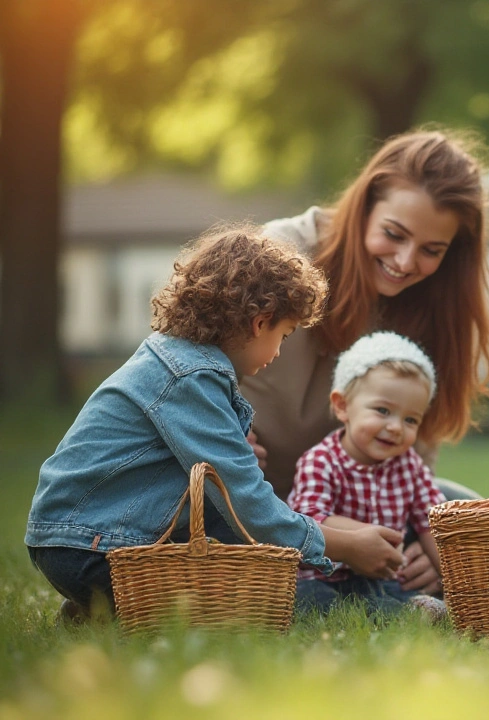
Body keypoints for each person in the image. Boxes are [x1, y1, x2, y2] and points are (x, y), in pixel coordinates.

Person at [25, 228, 406, 621]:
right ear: (261, 322)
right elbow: (248, 503)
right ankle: (377, 609)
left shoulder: (173, 358)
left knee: (238, 556)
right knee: (249, 605)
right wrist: (342, 545)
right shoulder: (192, 376)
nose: (278, 353)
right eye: (284, 335)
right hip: (92, 547)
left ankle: (98, 614)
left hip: (78, 539)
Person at [239, 127, 489, 596]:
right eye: (393, 235)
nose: (404, 261)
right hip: (252, 503)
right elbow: (180, 365)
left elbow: (416, 455)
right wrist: (219, 433)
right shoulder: (278, 255)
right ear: (364, 206)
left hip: (360, 502)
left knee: (469, 516)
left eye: (431, 250)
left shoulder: (432, 305)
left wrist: (426, 541)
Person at [288, 331, 448, 617]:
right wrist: (362, 538)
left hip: (383, 579)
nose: (396, 427)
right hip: (326, 577)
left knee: (390, 593)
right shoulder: (320, 460)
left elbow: (433, 522)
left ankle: (409, 609)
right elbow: (308, 516)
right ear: (342, 405)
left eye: (411, 419)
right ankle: (402, 614)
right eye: (383, 410)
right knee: (310, 598)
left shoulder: (409, 465)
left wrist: (455, 580)